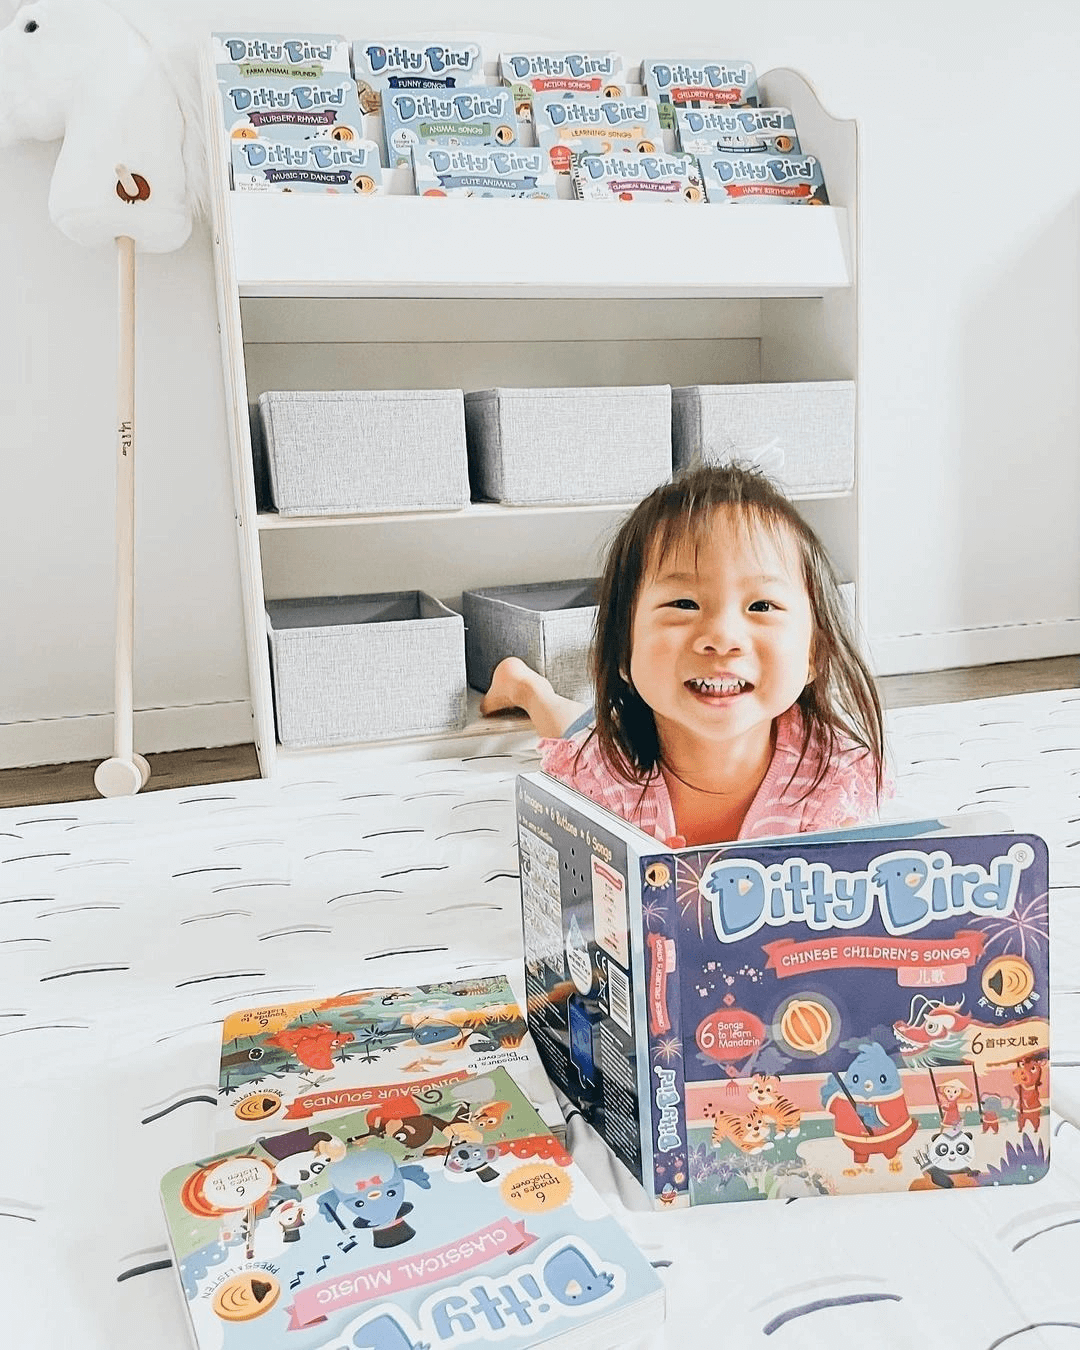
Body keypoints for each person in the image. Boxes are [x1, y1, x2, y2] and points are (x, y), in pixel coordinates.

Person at [480, 462, 889, 846]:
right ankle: (527, 687)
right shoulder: (596, 778)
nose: (723, 637)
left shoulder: (834, 784)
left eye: (761, 606)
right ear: (624, 648)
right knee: (571, 729)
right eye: (684, 604)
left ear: (814, 654)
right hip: (632, 734)